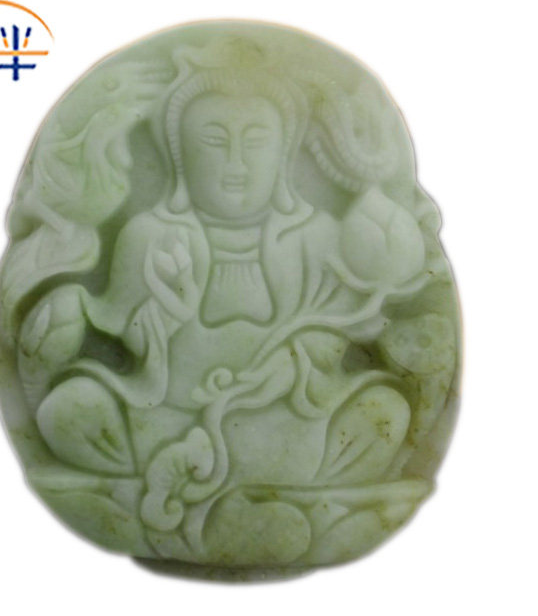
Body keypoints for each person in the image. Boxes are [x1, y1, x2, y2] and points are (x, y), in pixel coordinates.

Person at [23, 58, 430, 565]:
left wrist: (294, 363)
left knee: (385, 414)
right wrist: (166, 322)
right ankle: (291, 505)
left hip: (294, 414)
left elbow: (333, 333)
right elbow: (126, 331)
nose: (236, 163)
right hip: (169, 411)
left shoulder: (316, 235)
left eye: (255, 143)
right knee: (69, 410)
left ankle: (176, 502)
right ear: (179, 157)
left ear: (283, 154)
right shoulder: (150, 234)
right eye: (214, 142)